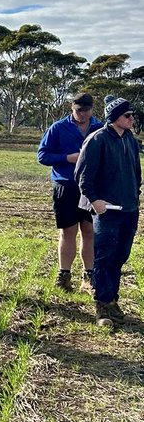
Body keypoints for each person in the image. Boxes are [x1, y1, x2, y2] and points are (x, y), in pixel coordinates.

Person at [75, 96, 141, 327]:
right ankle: (102, 305)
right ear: (115, 117)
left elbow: (136, 173)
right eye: (127, 115)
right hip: (107, 211)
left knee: (120, 256)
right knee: (104, 256)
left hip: (129, 209)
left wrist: (136, 196)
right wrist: (94, 201)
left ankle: (112, 300)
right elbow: (82, 175)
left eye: (133, 115)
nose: (132, 119)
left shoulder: (131, 140)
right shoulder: (98, 139)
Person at [37, 91, 102, 291]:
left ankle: (88, 276)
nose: (83, 114)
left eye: (87, 110)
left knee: (89, 231)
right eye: (78, 110)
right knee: (68, 232)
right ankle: (64, 275)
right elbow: (42, 156)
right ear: (72, 108)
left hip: (91, 188)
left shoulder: (100, 128)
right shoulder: (57, 128)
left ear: (92, 109)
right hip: (65, 186)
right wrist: (67, 158)